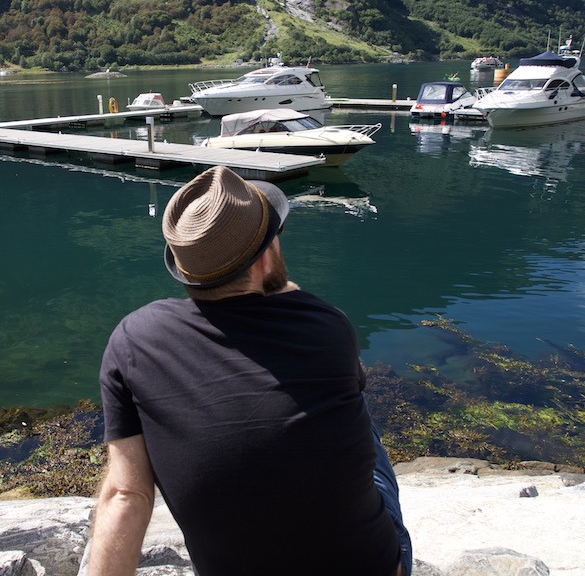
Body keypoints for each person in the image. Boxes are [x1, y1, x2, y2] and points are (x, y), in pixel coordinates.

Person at [91, 165, 412, 576]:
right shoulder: (329, 325)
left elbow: (125, 494)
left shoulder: (134, 339)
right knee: (361, 415)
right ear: (264, 260)